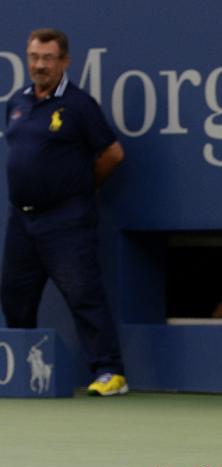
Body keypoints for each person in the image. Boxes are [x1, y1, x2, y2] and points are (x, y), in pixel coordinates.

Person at [2, 28, 127, 396]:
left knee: (83, 294)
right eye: (34, 57)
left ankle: (109, 373)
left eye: (48, 58)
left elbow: (112, 154)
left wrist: (78, 190)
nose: (39, 65)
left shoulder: (78, 105)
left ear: (64, 61)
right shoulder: (16, 102)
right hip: (21, 220)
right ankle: (19, 373)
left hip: (66, 220)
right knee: (13, 295)